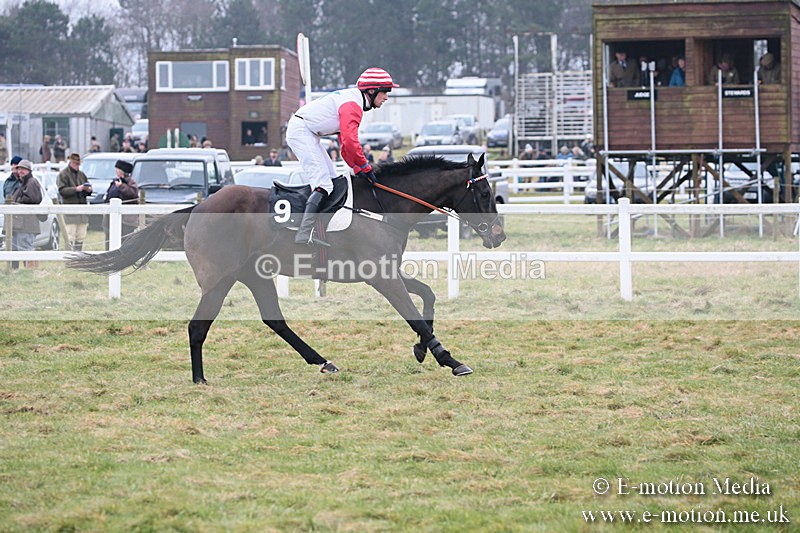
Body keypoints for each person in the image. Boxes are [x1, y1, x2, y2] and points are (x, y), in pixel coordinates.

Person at [286, 67, 397, 246]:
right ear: (372, 90)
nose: (386, 97)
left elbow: (345, 144)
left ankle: (320, 229)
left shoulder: (354, 100)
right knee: (323, 183)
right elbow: (350, 141)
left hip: (309, 132)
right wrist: (365, 166)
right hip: (302, 131)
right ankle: (304, 234)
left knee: (331, 179)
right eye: (385, 92)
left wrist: (356, 167)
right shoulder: (353, 105)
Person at [9, 160, 42, 270]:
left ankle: (31, 272)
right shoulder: (23, 183)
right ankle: (27, 272)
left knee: (26, 249)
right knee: (20, 249)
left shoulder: (31, 182)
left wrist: (17, 202)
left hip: (27, 223)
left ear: (28, 170)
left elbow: (32, 199)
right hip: (21, 223)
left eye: (23, 169)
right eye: (19, 169)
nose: (20, 171)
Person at [57, 153, 92, 251]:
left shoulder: (82, 175)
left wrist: (88, 190)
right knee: (70, 235)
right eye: (76, 164)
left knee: (81, 235)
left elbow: (88, 188)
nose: (77, 166)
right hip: (71, 212)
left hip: (82, 212)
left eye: (78, 164)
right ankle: (70, 257)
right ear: (71, 162)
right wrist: (76, 189)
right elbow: (62, 191)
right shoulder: (63, 175)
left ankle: (78, 256)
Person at [103, 159, 139, 241]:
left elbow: (133, 194)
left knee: (124, 240)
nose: (116, 171)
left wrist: (121, 186)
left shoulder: (130, 182)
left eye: (117, 169)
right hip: (110, 217)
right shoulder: (114, 182)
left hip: (126, 220)